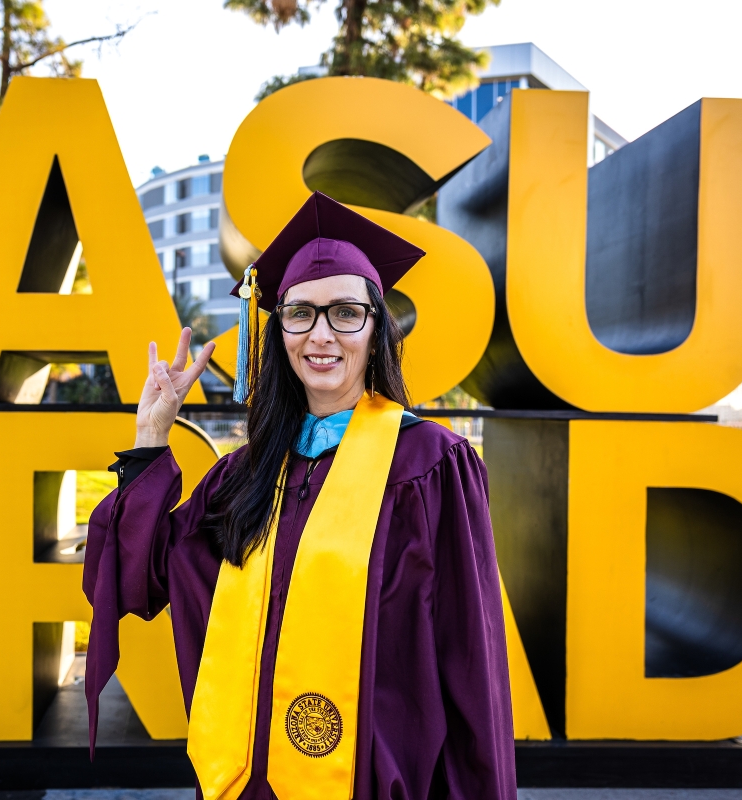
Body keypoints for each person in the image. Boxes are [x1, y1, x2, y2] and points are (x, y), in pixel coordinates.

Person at [84, 192, 515, 800]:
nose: (321, 334)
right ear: (278, 328)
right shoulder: (246, 474)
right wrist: (152, 436)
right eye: (300, 313)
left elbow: (472, 668)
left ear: (376, 328)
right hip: (245, 784)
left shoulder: (430, 467)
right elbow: (143, 575)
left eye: (345, 312)